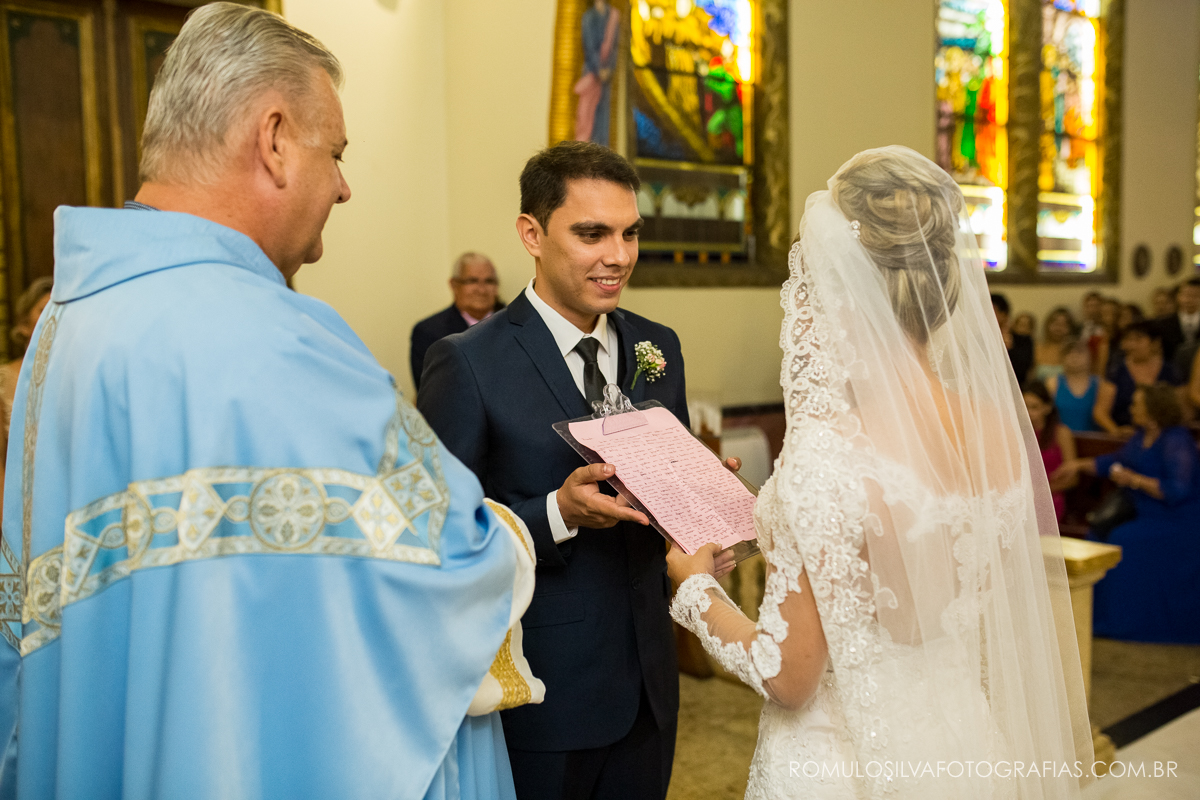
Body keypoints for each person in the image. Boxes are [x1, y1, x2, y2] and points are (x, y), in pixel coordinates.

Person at [0, 5, 543, 798]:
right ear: (276, 138)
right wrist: (520, 535)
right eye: (338, 153)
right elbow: (450, 563)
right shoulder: (279, 341)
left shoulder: (66, 327)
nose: (346, 186)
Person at [667, 146, 1091, 798]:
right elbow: (897, 559)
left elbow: (789, 675)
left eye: (808, 288)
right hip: (958, 739)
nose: (801, 313)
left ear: (843, 297)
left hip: (840, 763)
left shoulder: (831, 454)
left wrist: (694, 589)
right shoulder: (997, 431)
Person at [419, 141, 730, 800]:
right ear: (532, 233)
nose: (618, 256)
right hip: (546, 691)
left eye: (630, 233)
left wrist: (701, 511)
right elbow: (440, 537)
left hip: (650, 685)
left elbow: (658, 502)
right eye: (592, 233)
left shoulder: (655, 346)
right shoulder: (469, 362)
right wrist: (558, 512)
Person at [1054, 385, 1200, 643]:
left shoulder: (1176, 440)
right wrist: (1078, 464)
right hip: (1142, 509)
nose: (1131, 408)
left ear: (1154, 410)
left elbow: (1177, 489)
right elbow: (1112, 461)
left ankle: (1124, 621)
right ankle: (1092, 615)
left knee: (1124, 539)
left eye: (1137, 404)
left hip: (1176, 518)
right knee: (1095, 535)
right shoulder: (1141, 435)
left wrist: (1134, 480)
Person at [410, 252, 504, 389]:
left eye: (489, 281)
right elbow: (431, 392)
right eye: (472, 281)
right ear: (454, 285)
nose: (481, 290)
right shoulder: (429, 332)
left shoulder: (517, 322)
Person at [1093, 321, 1180, 435]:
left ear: (1155, 343)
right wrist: (1116, 431)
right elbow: (1100, 412)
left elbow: (1180, 410)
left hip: (1165, 436)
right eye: (1129, 340)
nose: (1132, 345)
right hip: (1125, 438)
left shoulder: (1171, 371)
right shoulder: (1116, 372)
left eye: (1138, 340)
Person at [1023, 381, 1078, 522]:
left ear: (1046, 408)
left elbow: (1073, 478)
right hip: (1022, 495)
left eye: (1034, 407)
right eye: (1024, 406)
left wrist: (1041, 492)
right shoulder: (1016, 432)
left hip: (1051, 495)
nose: (1028, 412)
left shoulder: (1061, 433)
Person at [1047, 338, 1100, 432]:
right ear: (1062, 358)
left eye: (1079, 352)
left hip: (1092, 440)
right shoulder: (1052, 383)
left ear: (1089, 356)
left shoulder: (1101, 385)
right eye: (1068, 353)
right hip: (1060, 440)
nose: (1074, 356)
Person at [992, 292, 1032, 383]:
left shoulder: (1023, 340)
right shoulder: (977, 340)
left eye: (993, 311)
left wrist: (1008, 350)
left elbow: (1023, 371)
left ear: (1004, 314)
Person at [1159, 277, 1200, 362]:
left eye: (1195, 295)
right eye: (1186, 295)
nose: (1189, 300)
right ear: (1178, 296)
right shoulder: (1164, 324)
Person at [1033, 306, 1077, 382]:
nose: (1058, 328)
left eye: (1064, 325)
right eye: (1055, 324)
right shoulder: (1037, 347)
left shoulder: (1074, 352)